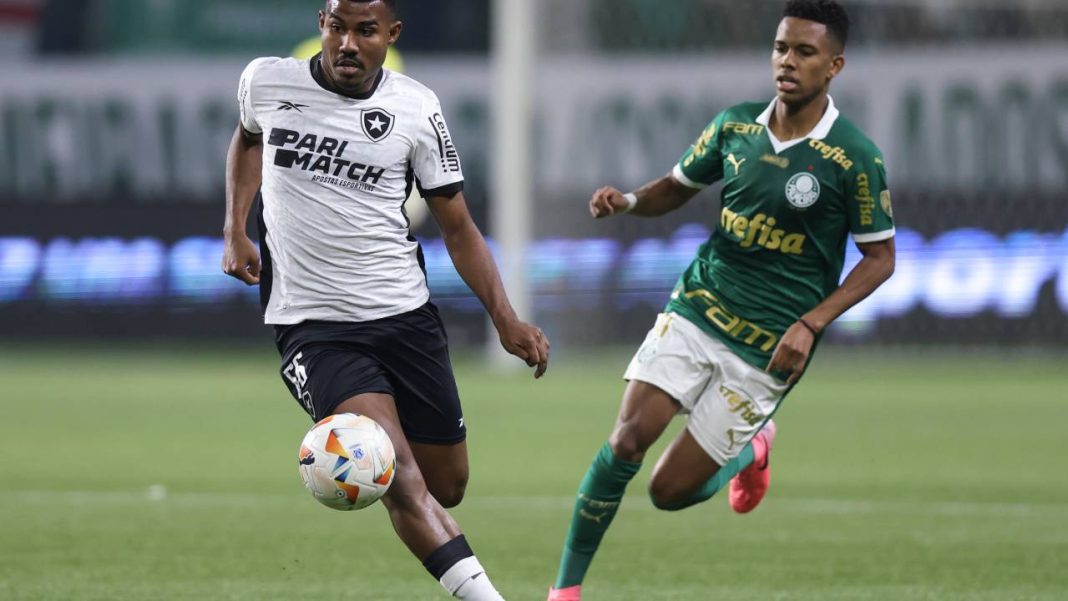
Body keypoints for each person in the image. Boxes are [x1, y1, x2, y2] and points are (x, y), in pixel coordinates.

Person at [547, 1, 895, 599]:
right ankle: (564, 592)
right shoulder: (735, 126)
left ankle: (752, 449)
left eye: (804, 52)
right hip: (698, 308)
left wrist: (811, 324)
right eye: (781, 48)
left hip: (768, 347)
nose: (788, 62)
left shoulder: (853, 158)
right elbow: (676, 187)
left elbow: (881, 259)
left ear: (834, 65)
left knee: (667, 491)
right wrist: (629, 201)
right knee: (627, 439)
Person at [221, 1, 550, 599]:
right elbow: (247, 140)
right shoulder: (266, 81)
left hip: (404, 316)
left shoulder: (415, 108)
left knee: (445, 484)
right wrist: (235, 226)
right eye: (337, 27)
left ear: (390, 34)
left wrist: (504, 318)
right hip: (314, 327)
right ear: (322, 23)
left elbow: (459, 227)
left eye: (364, 31)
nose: (347, 43)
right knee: (395, 477)